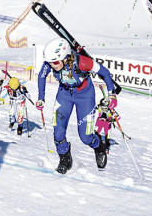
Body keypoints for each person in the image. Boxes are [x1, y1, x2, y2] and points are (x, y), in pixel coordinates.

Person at [35, 38, 117, 174]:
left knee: (85, 137)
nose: (52, 65)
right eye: (49, 62)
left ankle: (99, 147)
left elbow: (104, 73)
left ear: (65, 57)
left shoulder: (83, 62)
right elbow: (42, 76)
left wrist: (112, 94)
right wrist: (41, 98)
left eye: (55, 62)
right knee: (58, 132)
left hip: (85, 95)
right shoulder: (50, 63)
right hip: (64, 94)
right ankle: (65, 158)